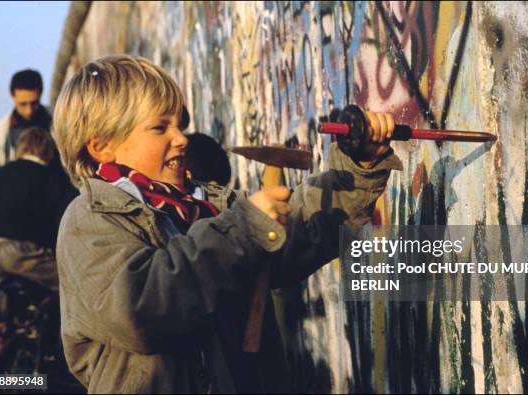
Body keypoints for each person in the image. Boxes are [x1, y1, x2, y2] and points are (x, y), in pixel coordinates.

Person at [52, 54, 402, 393]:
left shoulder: (209, 205)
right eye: (160, 128)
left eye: (180, 125)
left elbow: (301, 231)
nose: (181, 139)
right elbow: (142, 309)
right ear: (101, 147)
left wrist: (358, 167)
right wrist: (242, 231)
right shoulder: (91, 219)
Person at [0, 127, 78, 387]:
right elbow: (65, 219)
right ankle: (54, 358)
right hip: (22, 250)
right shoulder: (48, 176)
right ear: (49, 153)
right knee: (71, 287)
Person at [0, 69, 52, 190]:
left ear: (41, 94)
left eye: (34, 103)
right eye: (23, 104)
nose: (29, 110)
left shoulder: (61, 123)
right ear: (12, 96)